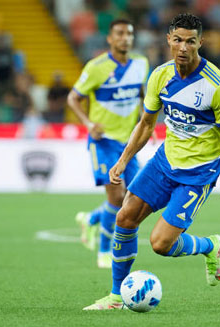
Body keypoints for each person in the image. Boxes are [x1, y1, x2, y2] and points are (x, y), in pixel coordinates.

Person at [83, 13, 220, 310]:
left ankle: (210, 246)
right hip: (165, 162)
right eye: (178, 40)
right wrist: (123, 160)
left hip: (198, 173)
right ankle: (117, 297)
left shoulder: (217, 85)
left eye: (191, 41)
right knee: (124, 218)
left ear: (200, 42)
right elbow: (146, 124)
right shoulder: (160, 75)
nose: (184, 47)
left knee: (160, 245)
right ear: (169, 40)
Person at [67, 19, 149, 269]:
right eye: (120, 34)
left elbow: (143, 95)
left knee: (134, 197)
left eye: (129, 33)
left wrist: (148, 124)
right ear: (110, 39)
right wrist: (88, 123)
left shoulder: (141, 64)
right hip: (102, 141)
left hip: (128, 143)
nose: (126, 38)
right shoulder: (96, 67)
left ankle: (92, 218)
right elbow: (73, 98)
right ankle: (104, 251)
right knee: (115, 196)